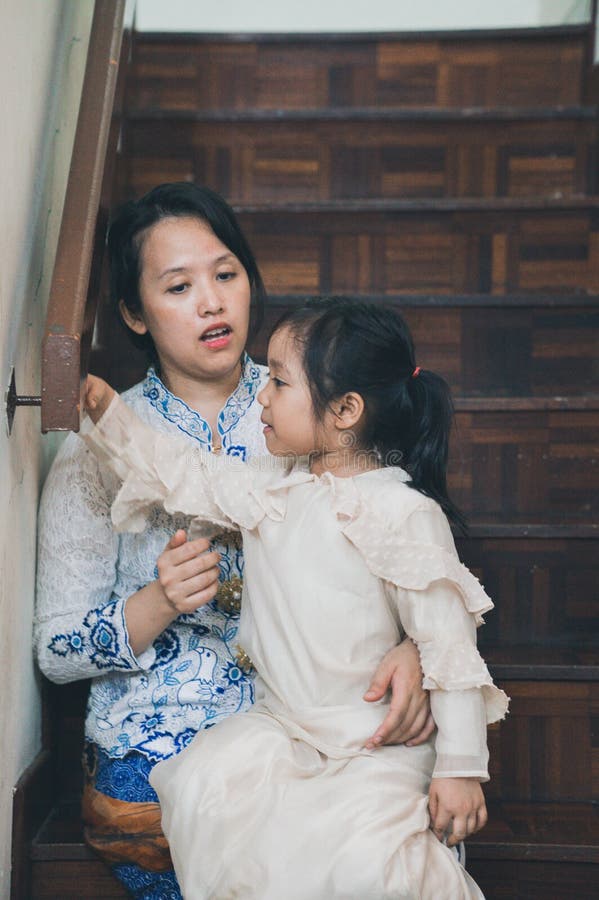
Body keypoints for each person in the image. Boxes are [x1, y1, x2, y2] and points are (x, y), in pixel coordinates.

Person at [35, 184, 433, 900]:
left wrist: (414, 645)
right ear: (133, 311)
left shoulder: (315, 408)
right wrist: (155, 603)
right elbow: (56, 650)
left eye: (225, 274)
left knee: (385, 849)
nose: (212, 303)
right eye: (179, 286)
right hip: (162, 737)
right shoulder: (102, 445)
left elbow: (406, 546)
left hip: (316, 719)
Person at [81, 298, 509, 899]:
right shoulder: (271, 492)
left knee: (369, 858)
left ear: (344, 411)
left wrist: (461, 768)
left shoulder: (401, 513)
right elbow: (186, 473)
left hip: (372, 742)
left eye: (279, 381)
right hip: (280, 729)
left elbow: (448, 646)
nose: (261, 394)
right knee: (208, 786)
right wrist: (111, 420)